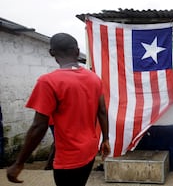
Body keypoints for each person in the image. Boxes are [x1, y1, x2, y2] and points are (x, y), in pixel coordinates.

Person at [7, 33, 110, 186]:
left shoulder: (48, 82)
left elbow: (39, 126)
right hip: (89, 150)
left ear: (51, 53)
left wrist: (19, 162)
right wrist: (106, 139)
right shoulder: (94, 78)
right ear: (77, 51)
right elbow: (102, 110)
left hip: (68, 157)